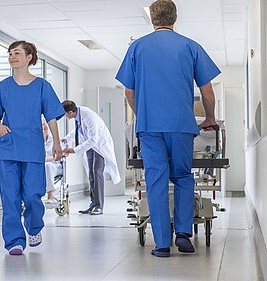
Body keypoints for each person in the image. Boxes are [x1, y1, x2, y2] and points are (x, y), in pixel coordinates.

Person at [115, 0, 220, 258]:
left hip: (150, 127)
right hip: (181, 126)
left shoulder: (137, 47)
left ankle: (162, 244)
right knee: (183, 176)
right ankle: (183, 233)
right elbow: (207, 91)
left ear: (152, 19)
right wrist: (209, 117)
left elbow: (129, 91)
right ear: (175, 18)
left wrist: (144, 115)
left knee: (156, 181)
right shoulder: (191, 46)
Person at [0, 40, 64, 255]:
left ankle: (34, 227)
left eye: (17, 53)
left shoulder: (42, 86)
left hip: (32, 148)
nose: (12, 57)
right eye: (10, 53)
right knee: (10, 196)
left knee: (32, 195)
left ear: (29, 57)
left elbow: (52, 117)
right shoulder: (3, 87)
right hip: (8, 147)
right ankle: (14, 241)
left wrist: (56, 143)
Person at [61, 100, 121, 216]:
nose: (64, 116)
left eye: (65, 114)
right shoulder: (78, 116)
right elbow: (78, 131)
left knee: (97, 173)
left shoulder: (88, 116)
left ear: (70, 112)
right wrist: (66, 139)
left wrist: (74, 150)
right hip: (89, 146)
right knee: (91, 174)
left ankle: (99, 206)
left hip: (99, 146)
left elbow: (93, 139)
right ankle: (93, 204)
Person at [43, 118, 62, 208]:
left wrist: (47, 159)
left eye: (45, 125)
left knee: (47, 165)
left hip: (54, 165)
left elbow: (58, 155)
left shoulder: (54, 140)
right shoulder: (36, 141)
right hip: (40, 167)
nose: (45, 127)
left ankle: (50, 195)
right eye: (43, 126)